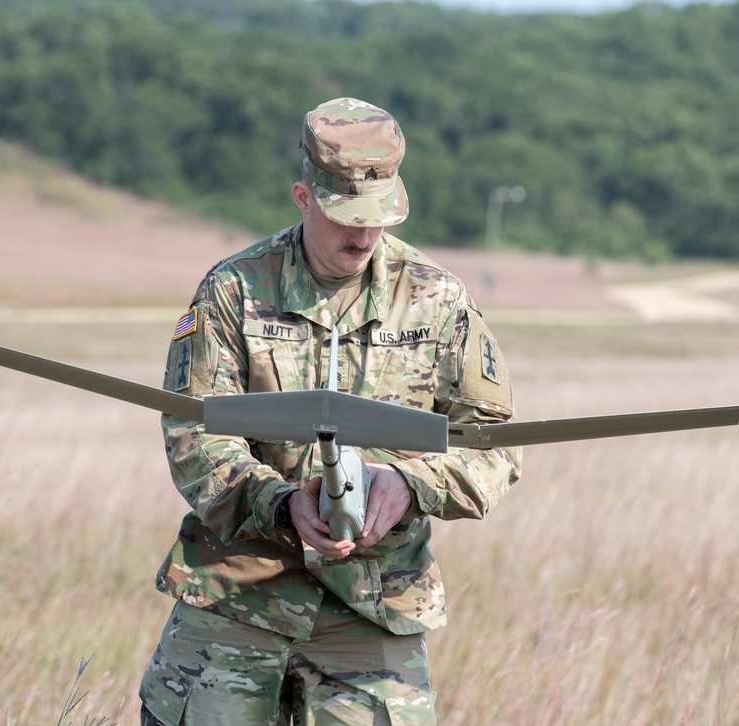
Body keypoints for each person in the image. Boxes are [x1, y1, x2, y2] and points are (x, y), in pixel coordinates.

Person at [139, 97, 522, 725]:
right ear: (302, 195)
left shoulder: (439, 300)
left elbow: (494, 443)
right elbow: (193, 433)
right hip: (238, 595)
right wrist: (280, 503)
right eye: (347, 215)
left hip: (375, 606)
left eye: (380, 216)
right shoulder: (233, 291)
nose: (365, 235)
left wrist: (410, 485)